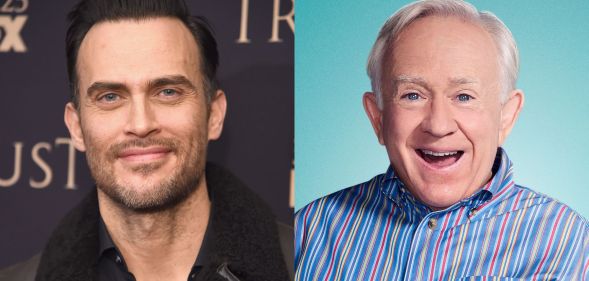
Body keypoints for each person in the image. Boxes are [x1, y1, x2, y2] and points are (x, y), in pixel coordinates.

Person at [295, 0, 589, 280]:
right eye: (412, 95)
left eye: (464, 96)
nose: (438, 125)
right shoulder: (311, 229)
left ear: (506, 116)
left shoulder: (565, 240)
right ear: (378, 117)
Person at [0, 0, 292, 280]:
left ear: (213, 115)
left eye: (168, 92)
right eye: (110, 97)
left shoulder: (317, 269)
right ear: (76, 127)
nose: (141, 125)